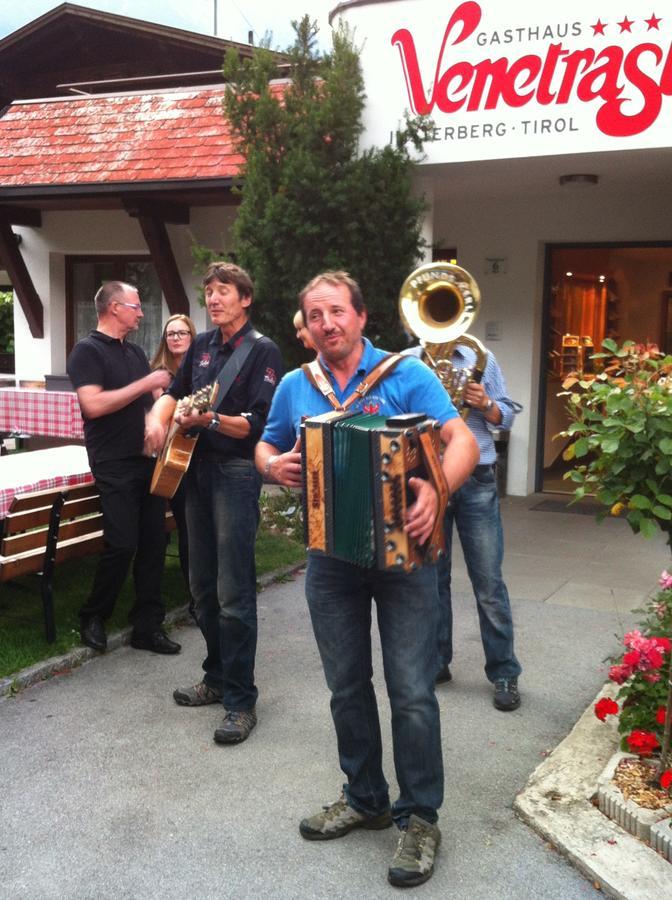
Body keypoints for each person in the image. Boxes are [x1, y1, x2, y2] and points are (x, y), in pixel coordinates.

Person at [256, 271, 479, 888]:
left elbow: (460, 439)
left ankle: (421, 817)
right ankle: (365, 798)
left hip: (406, 555)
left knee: (411, 690)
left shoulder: (406, 374)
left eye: (336, 311)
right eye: (314, 315)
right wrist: (274, 466)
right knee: (346, 684)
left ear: (360, 315)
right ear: (306, 326)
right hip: (331, 559)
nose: (326, 323)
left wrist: (438, 488)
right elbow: (268, 445)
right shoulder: (299, 386)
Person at [145, 262, 282, 746]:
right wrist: (159, 418)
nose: (213, 298)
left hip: (235, 475)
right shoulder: (200, 346)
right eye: (208, 291)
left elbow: (259, 424)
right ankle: (217, 674)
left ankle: (241, 700)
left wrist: (213, 421)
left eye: (223, 291)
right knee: (200, 585)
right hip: (191, 471)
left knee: (234, 590)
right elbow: (175, 394)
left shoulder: (262, 350)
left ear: (245, 298)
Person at [66, 281, 181, 655]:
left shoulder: (133, 351)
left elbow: (150, 402)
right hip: (113, 462)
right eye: (136, 305)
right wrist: (148, 382)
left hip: (146, 460)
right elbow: (94, 405)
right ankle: (94, 615)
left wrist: (155, 419)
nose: (142, 313)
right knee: (122, 542)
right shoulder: (87, 351)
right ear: (114, 308)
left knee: (154, 540)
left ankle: (147, 626)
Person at [407, 344, 523, 711]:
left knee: (488, 582)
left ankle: (504, 670)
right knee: (432, 579)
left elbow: (505, 417)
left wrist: (486, 404)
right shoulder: (409, 360)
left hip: (476, 478)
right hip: (427, 477)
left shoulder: (481, 357)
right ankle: (438, 662)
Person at [151, 314, 197, 606]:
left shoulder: (204, 374)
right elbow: (164, 420)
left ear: (193, 338)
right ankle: (194, 596)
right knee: (188, 529)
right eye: (170, 334)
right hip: (173, 461)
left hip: (202, 458)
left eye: (182, 333)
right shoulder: (161, 375)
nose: (176, 338)